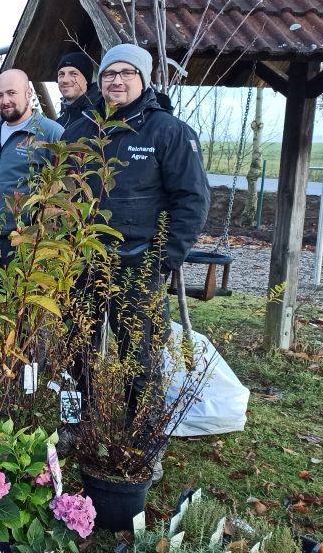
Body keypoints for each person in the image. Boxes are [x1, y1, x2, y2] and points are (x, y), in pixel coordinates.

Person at [61, 44, 210, 481]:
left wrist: (164, 258)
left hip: (138, 264)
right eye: (110, 73)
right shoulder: (80, 130)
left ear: (144, 80)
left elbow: (192, 200)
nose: (117, 81)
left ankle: (144, 440)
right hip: (83, 262)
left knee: (139, 356)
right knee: (76, 350)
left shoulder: (168, 131)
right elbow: (58, 192)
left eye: (127, 73)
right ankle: (74, 424)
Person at [0, 69, 63, 292]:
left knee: (21, 304)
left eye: (11, 93)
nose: (5, 101)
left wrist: (42, 232)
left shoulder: (50, 134)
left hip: (25, 242)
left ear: (29, 93)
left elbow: (64, 188)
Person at [55, 52, 101, 130]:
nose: (65, 80)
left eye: (73, 74)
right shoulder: (58, 124)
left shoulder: (98, 115)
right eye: (61, 74)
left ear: (86, 79)